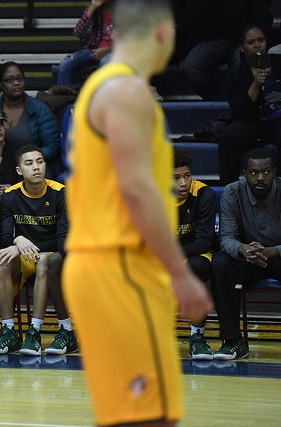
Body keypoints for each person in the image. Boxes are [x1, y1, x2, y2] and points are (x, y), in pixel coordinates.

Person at [64, 1, 212, 425]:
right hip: (121, 266)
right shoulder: (127, 91)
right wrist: (181, 274)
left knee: (129, 416)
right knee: (151, 417)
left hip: (103, 266)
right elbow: (136, 189)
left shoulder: (99, 85)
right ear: (164, 32)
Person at [0, 145, 75, 356]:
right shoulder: (10, 196)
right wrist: (18, 240)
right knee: (2, 260)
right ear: (19, 171)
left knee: (44, 260)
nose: (36, 167)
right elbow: (4, 237)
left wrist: (33, 247)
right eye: (29, 163)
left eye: (40, 161)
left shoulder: (60, 193)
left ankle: (34, 332)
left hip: (53, 257)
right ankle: (9, 331)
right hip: (25, 257)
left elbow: (63, 242)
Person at [212, 147, 281, 360]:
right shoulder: (233, 192)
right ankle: (232, 341)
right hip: (247, 257)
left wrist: (272, 251)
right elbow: (226, 237)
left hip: (277, 256)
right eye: (254, 173)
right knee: (221, 263)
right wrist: (244, 249)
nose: (260, 177)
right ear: (245, 173)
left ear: (274, 172)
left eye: (266, 172)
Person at [0, 62, 62, 178]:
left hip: (32, 168)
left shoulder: (40, 110)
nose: (16, 83)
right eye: (9, 80)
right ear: (0, 83)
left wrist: (27, 161)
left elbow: (52, 146)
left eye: (20, 79)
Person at [218, 25, 280, 185]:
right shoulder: (236, 75)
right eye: (251, 42)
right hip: (250, 123)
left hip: (275, 123)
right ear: (242, 47)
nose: (257, 45)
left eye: (261, 40)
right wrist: (255, 85)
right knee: (229, 136)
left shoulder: (277, 68)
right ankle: (228, 190)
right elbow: (240, 111)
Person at [173, 148, 217, 360]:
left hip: (197, 252)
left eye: (187, 176)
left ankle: (197, 337)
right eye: (176, 178)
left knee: (199, 267)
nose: (183, 183)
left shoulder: (203, 194)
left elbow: (204, 241)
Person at [182, 1, 271, 101]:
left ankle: (234, 99)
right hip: (213, 39)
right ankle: (217, 99)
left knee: (240, 62)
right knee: (192, 66)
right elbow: (193, 19)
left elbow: (262, 17)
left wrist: (256, 40)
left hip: (245, 39)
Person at [56, 0, 114, 86]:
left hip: (114, 51)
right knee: (65, 64)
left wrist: (108, 50)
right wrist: (92, 9)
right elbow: (78, 32)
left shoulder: (123, 10)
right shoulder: (96, 9)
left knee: (105, 62)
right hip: (94, 50)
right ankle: (63, 97)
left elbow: (130, 41)